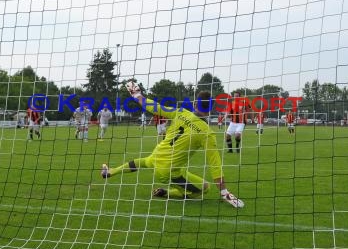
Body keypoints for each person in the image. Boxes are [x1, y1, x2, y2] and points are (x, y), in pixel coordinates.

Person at [101, 81, 244, 208]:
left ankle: (111, 171)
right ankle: (168, 193)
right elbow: (215, 165)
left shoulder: (180, 112)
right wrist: (224, 192)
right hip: (168, 172)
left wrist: (137, 94)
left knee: (143, 162)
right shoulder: (207, 133)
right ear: (211, 109)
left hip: (155, 157)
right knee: (204, 188)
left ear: (195, 104)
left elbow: (153, 106)